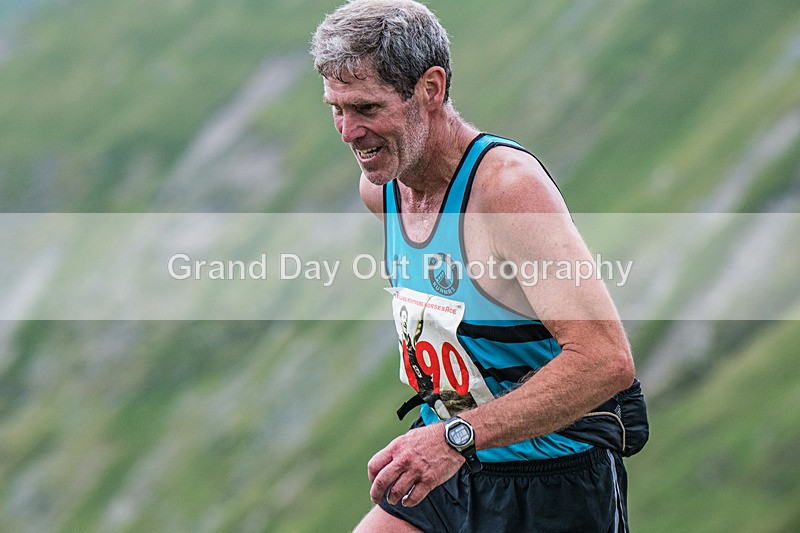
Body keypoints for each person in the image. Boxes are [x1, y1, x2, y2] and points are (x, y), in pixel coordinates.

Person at [311, 1, 647, 531]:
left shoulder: (506, 189)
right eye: (336, 108)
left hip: (553, 483)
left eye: (367, 109)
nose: (349, 131)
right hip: (449, 472)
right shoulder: (382, 193)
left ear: (431, 88)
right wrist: (447, 438)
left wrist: (455, 436)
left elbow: (605, 361)